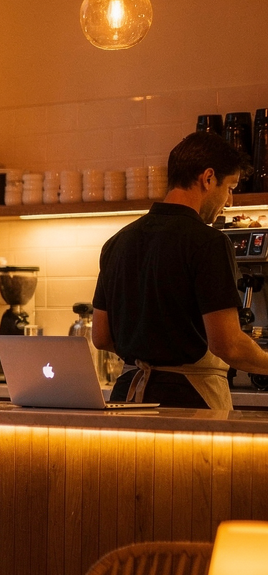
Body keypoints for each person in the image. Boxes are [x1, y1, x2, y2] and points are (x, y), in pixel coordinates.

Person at [91, 130, 268, 410]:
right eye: (230, 188)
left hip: (125, 400)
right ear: (208, 178)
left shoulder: (116, 243)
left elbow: (101, 337)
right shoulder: (208, 242)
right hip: (188, 402)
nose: (230, 202)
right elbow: (228, 345)